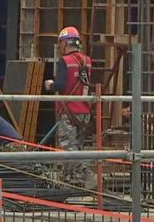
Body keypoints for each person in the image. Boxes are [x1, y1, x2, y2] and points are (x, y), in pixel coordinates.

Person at [44, 26, 97, 189]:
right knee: (77, 146)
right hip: (84, 111)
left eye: (60, 43)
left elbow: (61, 85)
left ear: (65, 43)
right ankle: (70, 180)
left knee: (68, 147)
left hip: (69, 112)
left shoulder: (65, 62)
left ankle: (87, 174)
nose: (59, 47)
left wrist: (50, 84)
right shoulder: (87, 61)